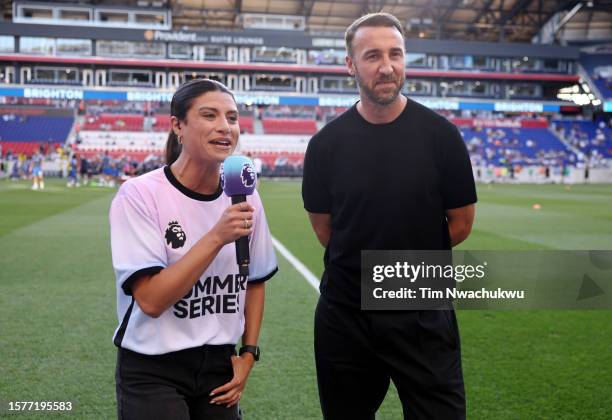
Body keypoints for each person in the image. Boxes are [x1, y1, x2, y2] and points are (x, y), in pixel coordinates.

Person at [302, 13, 476, 420]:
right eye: (372, 55)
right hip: (346, 315)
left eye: (395, 54)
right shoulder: (325, 145)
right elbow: (327, 230)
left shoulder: (442, 137)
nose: (386, 66)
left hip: (422, 310)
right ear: (350, 65)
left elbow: (462, 224)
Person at [110, 78, 278, 420]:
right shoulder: (141, 195)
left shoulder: (245, 195)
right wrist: (217, 236)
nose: (225, 127)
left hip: (219, 365)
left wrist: (248, 354)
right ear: (178, 126)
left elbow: (255, 281)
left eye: (232, 118)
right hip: (153, 367)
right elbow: (152, 300)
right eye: (209, 115)